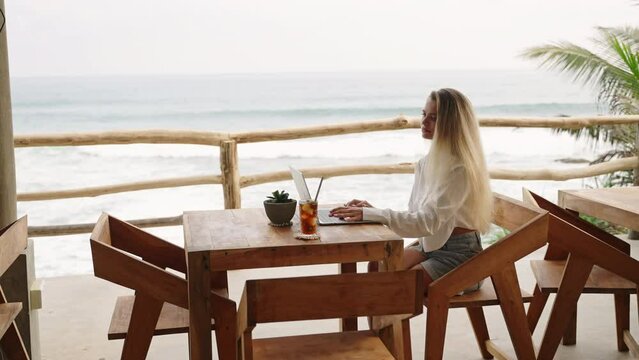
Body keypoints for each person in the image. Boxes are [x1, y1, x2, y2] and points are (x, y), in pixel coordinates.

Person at [329, 88, 492, 293]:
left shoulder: (461, 169)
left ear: (451, 124)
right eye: (424, 114)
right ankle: (384, 326)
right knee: (375, 268)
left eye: (433, 118)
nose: (424, 122)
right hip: (430, 245)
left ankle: (387, 325)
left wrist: (376, 215)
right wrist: (373, 211)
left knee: (400, 286)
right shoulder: (426, 163)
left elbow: (428, 223)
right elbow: (418, 218)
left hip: (460, 256)